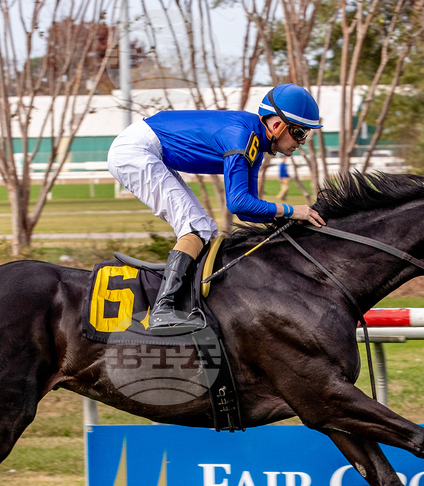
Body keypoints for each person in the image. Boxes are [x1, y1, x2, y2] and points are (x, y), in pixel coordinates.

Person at [107, 83, 327, 333]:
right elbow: (237, 203)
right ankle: (163, 310)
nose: (302, 141)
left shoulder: (255, 143)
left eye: (306, 134)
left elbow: (245, 211)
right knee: (196, 228)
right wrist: (292, 210)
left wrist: (287, 219)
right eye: (299, 132)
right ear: (277, 126)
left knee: (207, 231)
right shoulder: (243, 137)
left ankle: (187, 305)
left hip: (147, 148)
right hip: (135, 150)